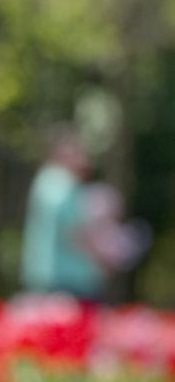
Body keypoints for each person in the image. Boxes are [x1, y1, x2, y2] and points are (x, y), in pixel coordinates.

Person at [20, 127, 142, 300]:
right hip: (65, 282)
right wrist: (104, 259)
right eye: (79, 151)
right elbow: (75, 232)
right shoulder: (61, 182)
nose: (85, 157)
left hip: (53, 279)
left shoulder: (47, 181)